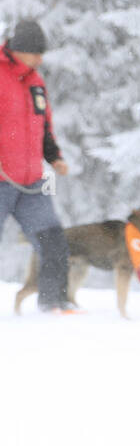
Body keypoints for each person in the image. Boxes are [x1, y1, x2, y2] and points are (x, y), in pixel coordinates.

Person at [0, 19, 74, 313]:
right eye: (36, 53)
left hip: (31, 182)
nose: (41, 59)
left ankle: (54, 302)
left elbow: (42, 126)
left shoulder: (36, 82)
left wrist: (54, 156)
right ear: (18, 50)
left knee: (53, 240)